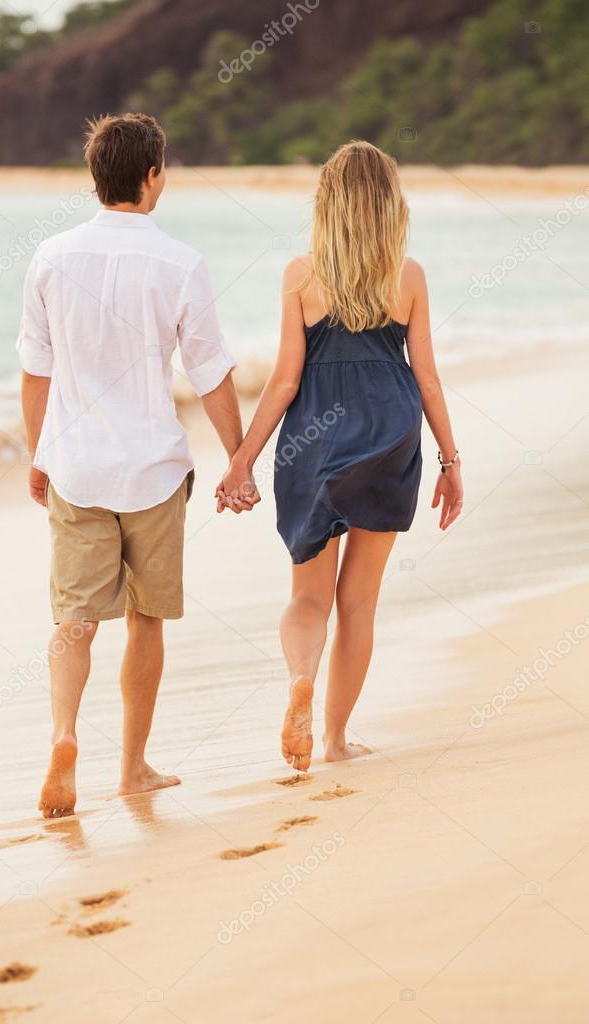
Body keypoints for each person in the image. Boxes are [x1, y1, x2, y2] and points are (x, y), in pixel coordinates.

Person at [18, 113, 247, 818]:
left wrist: (38, 455)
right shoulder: (179, 262)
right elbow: (210, 373)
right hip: (151, 471)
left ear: (95, 178)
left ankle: (63, 735)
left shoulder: (50, 256)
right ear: (153, 176)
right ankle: (131, 767)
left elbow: (34, 369)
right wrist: (237, 460)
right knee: (145, 621)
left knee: (75, 622)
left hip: (77, 468)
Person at [217, 140, 463, 772]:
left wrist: (242, 458)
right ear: (389, 203)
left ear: (325, 202)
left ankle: (302, 675)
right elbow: (427, 376)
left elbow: (285, 381)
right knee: (359, 603)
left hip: (314, 444)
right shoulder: (406, 276)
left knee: (308, 598)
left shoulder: (300, 275)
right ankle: (333, 740)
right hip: (389, 432)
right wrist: (450, 460)